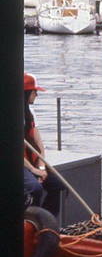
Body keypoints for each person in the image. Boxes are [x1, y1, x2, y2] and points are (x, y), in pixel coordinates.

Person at [23, 73, 64, 217]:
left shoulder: (31, 113)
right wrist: (34, 170)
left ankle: (46, 220)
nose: (36, 96)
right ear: (26, 92)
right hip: (20, 163)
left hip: (32, 162)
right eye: (35, 92)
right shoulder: (10, 115)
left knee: (57, 185)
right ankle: (29, 218)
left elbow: (38, 143)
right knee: (34, 188)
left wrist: (41, 168)